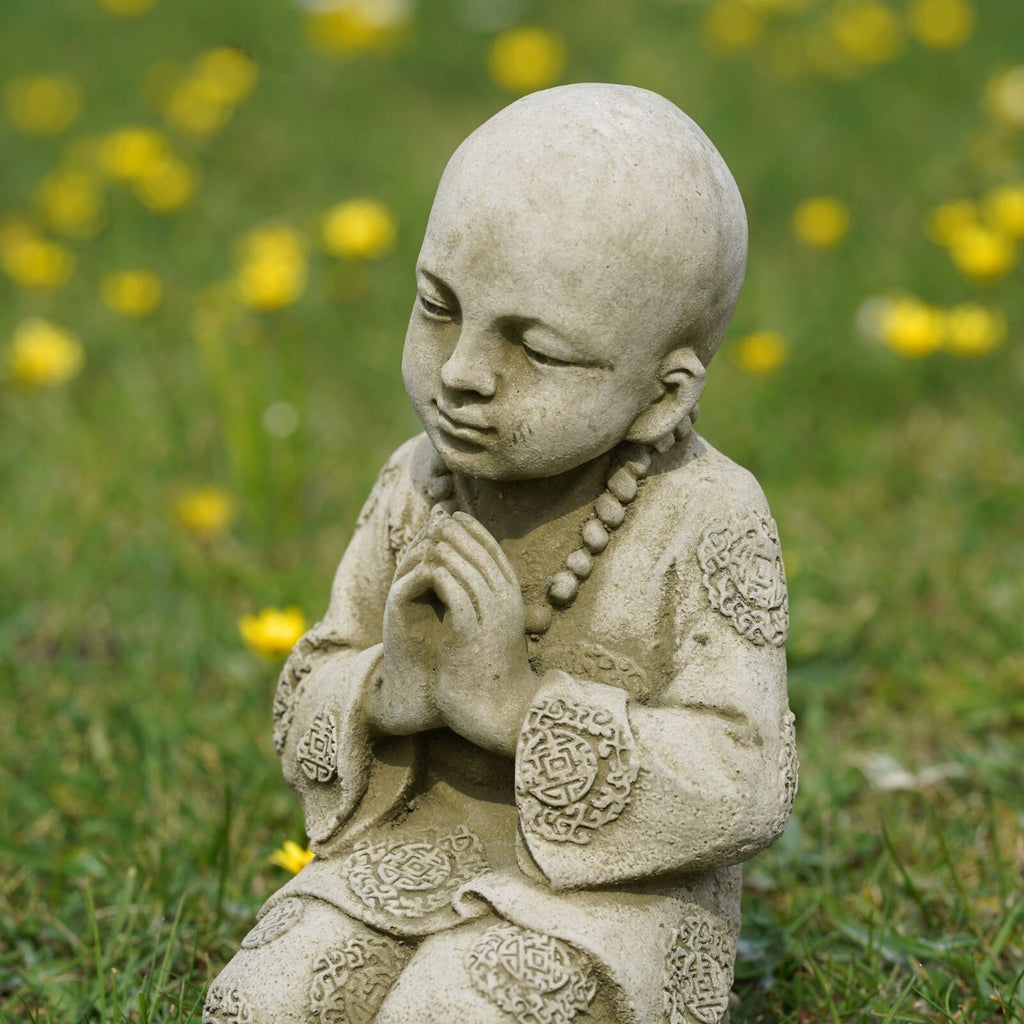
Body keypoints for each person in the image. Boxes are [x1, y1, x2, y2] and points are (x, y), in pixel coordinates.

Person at [204, 82, 796, 1024]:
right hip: (405, 853)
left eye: (539, 352)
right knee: (260, 1001)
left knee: (453, 1013)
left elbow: (747, 777)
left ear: (662, 395)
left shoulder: (705, 515)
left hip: (608, 902)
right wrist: (385, 693)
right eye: (439, 305)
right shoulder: (419, 478)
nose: (461, 373)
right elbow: (309, 678)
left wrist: (518, 710)